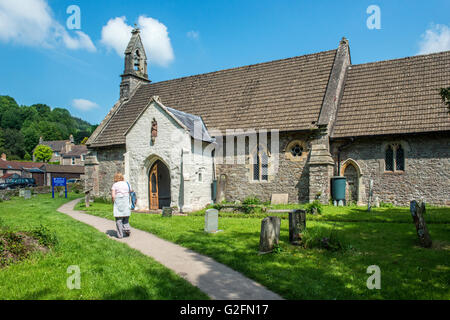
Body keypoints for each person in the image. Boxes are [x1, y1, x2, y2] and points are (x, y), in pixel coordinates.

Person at [111, 173, 132, 239]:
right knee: (126, 218)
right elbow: (131, 191)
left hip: (118, 202)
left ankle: (120, 235)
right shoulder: (127, 184)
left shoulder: (115, 185)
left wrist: (113, 201)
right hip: (126, 202)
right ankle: (127, 228)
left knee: (119, 219)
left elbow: (113, 195)